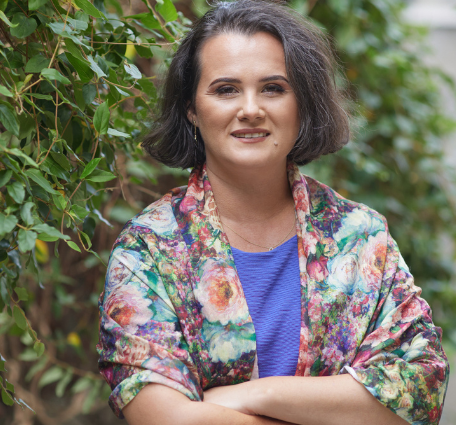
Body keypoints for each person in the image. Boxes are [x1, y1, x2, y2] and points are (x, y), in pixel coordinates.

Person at [97, 1, 449, 424]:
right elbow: (166, 418)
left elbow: (418, 391)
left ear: (303, 103)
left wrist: (252, 394)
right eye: (226, 89)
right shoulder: (148, 250)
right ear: (192, 108)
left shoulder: (360, 238)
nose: (251, 109)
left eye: (273, 88)